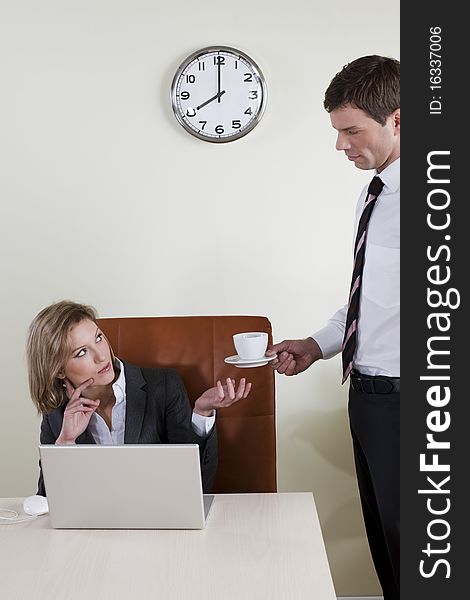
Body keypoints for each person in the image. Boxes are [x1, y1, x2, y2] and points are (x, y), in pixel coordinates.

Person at [267, 55, 400, 599]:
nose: (341, 145)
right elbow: (368, 301)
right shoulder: (376, 198)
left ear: (400, 121)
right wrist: (316, 345)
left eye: (352, 131)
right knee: (388, 549)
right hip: (368, 397)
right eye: (338, 131)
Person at [27, 300, 252, 495]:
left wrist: (201, 413)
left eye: (98, 338)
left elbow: (198, 485)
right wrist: (65, 443)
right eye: (81, 352)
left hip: (156, 527)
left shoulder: (163, 386)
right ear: (58, 371)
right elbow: (47, 503)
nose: (102, 355)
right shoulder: (57, 413)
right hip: (93, 533)